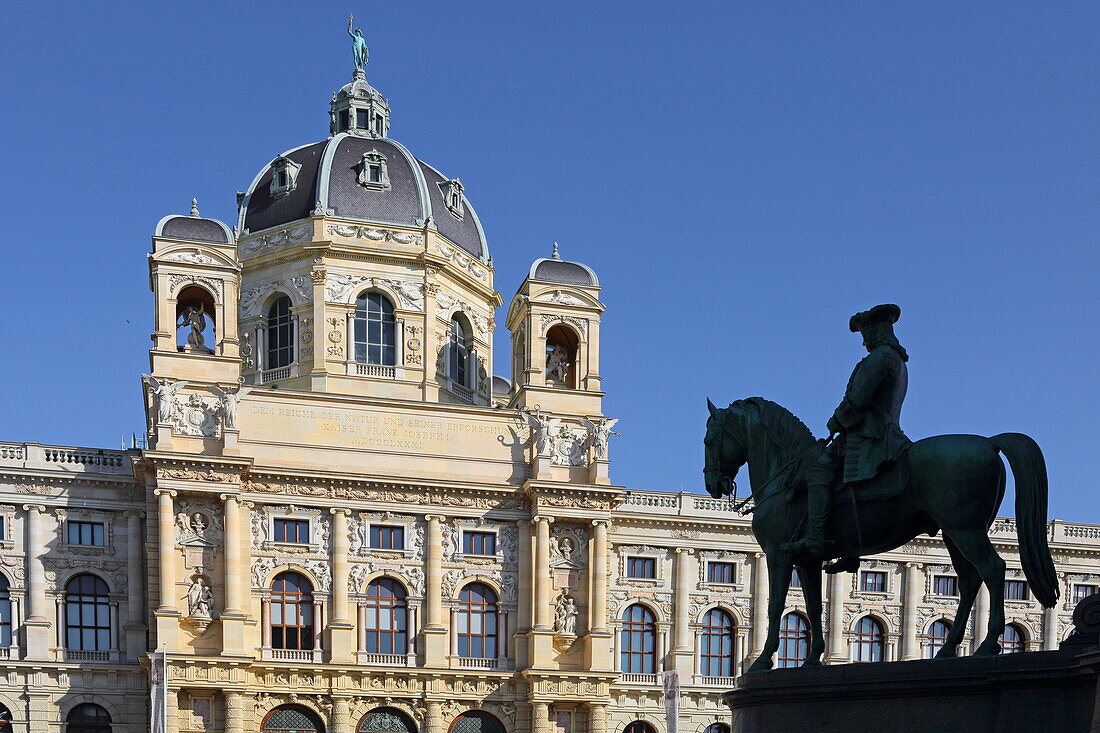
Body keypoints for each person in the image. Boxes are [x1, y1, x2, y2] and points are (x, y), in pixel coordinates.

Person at [784, 304, 911, 560]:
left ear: (876, 333)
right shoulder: (896, 359)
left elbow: (858, 399)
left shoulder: (881, 357)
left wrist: (837, 421)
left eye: (866, 337)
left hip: (869, 436)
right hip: (882, 431)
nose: (864, 344)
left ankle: (817, 535)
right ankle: (849, 549)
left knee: (818, 468)